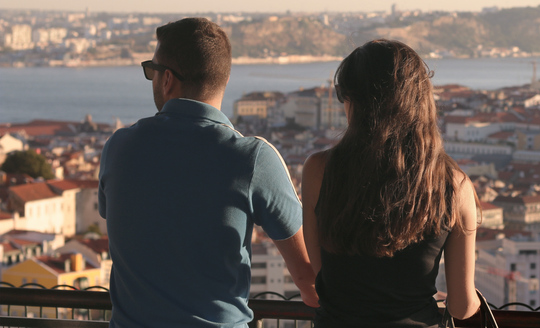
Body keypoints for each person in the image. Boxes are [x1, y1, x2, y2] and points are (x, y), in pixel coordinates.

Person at [99, 17, 318, 328]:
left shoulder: (118, 147)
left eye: (152, 70)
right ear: (223, 80)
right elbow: (308, 280)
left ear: (167, 79)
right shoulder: (253, 159)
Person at [302, 39, 481, 328]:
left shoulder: (319, 170)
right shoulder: (453, 186)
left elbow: (322, 276)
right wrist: (473, 300)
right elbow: (461, 307)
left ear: (357, 102)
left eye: (343, 94)